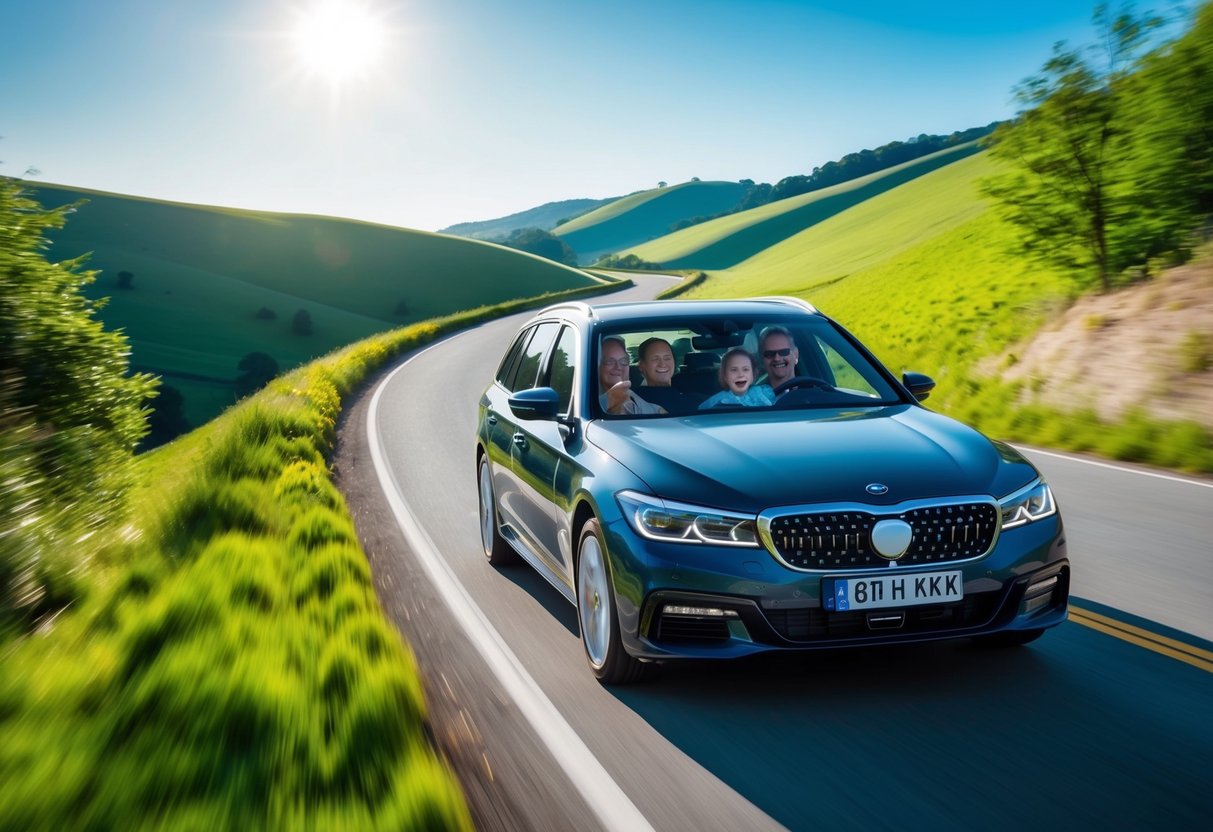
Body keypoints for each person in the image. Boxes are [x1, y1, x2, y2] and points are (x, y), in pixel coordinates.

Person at [599, 336, 665, 415]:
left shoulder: (633, 397)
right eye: (609, 361)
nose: (618, 367)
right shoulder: (583, 400)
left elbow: (656, 411)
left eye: (624, 361)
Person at [699, 348, 775, 409]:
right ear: (725, 376)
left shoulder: (764, 394)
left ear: (753, 375)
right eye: (734, 370)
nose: (740, 375)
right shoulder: (716, 402)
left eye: (745, 369)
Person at [757, 325, 799, 393]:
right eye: (770, 354)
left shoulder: (814, 392)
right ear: (762, 360)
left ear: (796, 355)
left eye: (783, 352)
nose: (777, 358)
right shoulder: (754, 399)